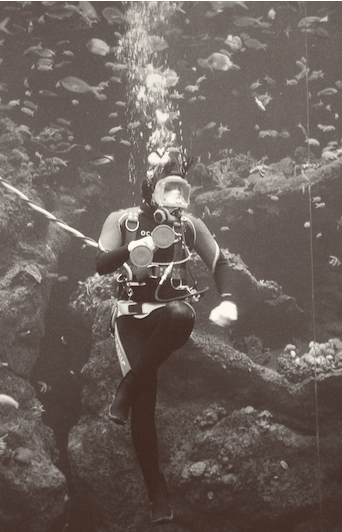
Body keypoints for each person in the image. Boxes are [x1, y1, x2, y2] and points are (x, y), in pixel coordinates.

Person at [95, 148, 238, 523]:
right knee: (145, 402)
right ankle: (155, 488)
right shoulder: (122, 220)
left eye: (181, 190)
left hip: (169, 316)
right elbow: (101, 264)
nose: (176, 198)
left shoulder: (189, 226)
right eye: (168, 188)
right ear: (150, 189)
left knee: (180, 313)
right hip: (131, 316)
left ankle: (126, 386)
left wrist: (228, 299)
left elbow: (220, 262)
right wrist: (130, 249)